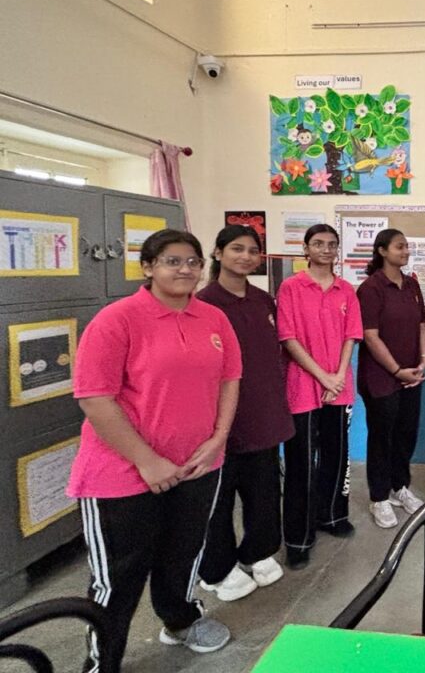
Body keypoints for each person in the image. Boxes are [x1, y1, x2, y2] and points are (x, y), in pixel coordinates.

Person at [68, 229, 240, 670]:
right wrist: (147, 460)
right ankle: (102, 662)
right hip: (123, 473)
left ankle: (180, 620)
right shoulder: (117, 319)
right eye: (172, 261)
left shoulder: (213, 319)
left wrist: (218, 439)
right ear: (147, 267)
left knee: (183, 554)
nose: (185, 270)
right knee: (119, 576)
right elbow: (95, 398)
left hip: (198, 465)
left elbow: (229, 380)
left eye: (192, 262)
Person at [195, 225, 293, 601]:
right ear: (218, 253)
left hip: (263, 413)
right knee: (218, 500)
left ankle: (258, 552)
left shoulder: (263, 300)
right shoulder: (203, 304)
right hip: (219, 419)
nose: (246, 257)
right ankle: (217, 569)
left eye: (253, 251)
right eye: (237, 249)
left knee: (264, 491)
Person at [276, 224, 363, 569]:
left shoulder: (346, 290)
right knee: (301, 464)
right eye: (318, 244)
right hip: (304, 387)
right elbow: (288, 338)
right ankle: (298, 539)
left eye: (331, 244)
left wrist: (338, 376)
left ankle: (332, 516)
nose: (326, 249)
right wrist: (322, 376)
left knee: (337, 457)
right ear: (306, 249)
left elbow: (351, 336)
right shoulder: (291, 287)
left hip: (339, 387)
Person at [357, 228, 425, 528]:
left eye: (407, 246)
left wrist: (423, 360)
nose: (405, 251)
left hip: (412, 374)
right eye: (400, 246)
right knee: (382, 437)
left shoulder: (412, 285)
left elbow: (421, 326)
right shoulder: (371, 288)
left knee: (406, 433)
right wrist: (397, 370)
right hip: (381, 377)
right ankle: (379, 497)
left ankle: (400, 487)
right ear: (382, 251)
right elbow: (370, 336)